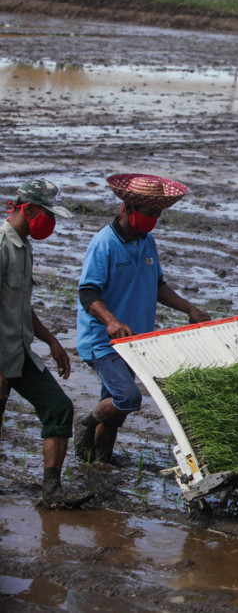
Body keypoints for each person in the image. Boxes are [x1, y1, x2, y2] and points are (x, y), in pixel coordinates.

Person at [74, 174, 210, 464]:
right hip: (104, 341)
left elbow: (157, 285)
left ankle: (99, 460)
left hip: (134, 340)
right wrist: (110, 321)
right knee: (127, 398)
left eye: (158, 214)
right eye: (149, 213)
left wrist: (190, 309)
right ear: (128, 208)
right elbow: (88, 292)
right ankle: (85, 424)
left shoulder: (147, 243)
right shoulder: (104, 244)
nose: (154, 220)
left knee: (113, 406)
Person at [1, 179, 92, 509]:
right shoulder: (1, 244)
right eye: (48, 215)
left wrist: (53, 342)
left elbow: (21, 306)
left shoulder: (24, 247)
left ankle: (52, 492)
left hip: (18, 351)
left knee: (58, 407)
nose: (50, 223)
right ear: (29, 209)